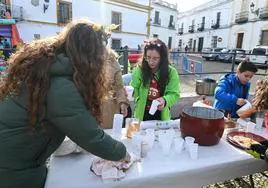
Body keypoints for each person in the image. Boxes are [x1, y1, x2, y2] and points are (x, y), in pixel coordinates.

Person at [0, 19, 130, 188]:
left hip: (15, 156)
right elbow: (89, 135)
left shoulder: (50, 68)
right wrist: (123, 153)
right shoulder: (60, 84)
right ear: (88, 56)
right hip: (14, 166)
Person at [131, 38, 180, 121]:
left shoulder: (171, 72)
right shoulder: (139, 70)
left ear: (162, 58)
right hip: (141, 114)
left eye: (155, 58)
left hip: (161, 114)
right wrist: (129, 92)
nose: (151, 62)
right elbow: (134, 89)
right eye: (148, 57)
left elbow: (174, 94)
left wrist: (165, 100)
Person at [100, 48, 129, 129]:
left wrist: (123, 103)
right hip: (87, 105)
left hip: (108, 106)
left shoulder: (111, 60)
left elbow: (119, 86)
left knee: (108, 135)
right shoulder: (82, 58)